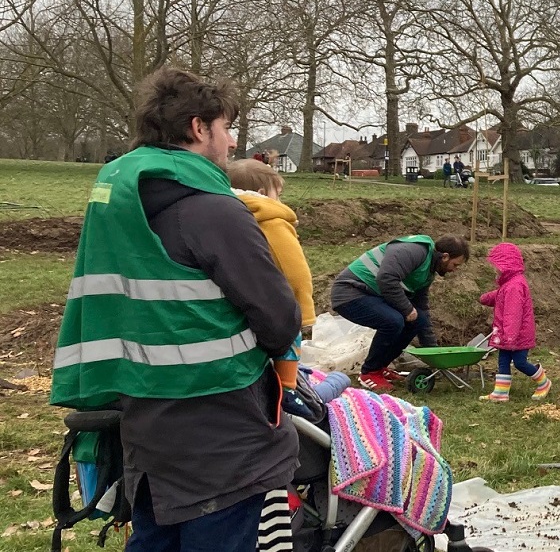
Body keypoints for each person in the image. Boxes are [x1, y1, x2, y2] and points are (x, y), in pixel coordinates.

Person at [51, 68, 302, 551]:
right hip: (220, 421)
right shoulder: (212, 211)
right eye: (226, 127)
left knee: (156, 531)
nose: (231, 142)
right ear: (197, 128)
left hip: (144, 414)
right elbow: (278, 318)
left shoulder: (119, 203)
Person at [226, 158, 318, 418]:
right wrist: (304, 312)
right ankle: (288, 389)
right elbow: (295, 270)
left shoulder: (223, 214)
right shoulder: (273, 219)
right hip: (274, 293)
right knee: (289, 335)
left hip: (240, 293)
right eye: (279, 192)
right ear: (265, 193)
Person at [331, 234, 471, 392]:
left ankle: (380, 367)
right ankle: (369, 373)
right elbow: (386, 278)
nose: (454, 270)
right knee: (393, 321)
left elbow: (422, 310)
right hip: (349, 291)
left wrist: (434, 352)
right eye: (455, 264)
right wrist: (406, 308)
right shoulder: (415, 251)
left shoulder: (428, 272)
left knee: (418, 320)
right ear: (445, 257)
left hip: (371, 293)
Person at [479, 242, 550, 401]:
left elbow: (513, 312)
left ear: (505, 265)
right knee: (503, 360)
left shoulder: (514, 285)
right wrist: (488, 298)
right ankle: (500, 392)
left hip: (517, 334)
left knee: (519, 362)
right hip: (508, 334)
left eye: (497, 265)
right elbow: (501, 295)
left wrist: (510, 336)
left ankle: (543, 381)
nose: (495, 269)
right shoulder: (510, 283)